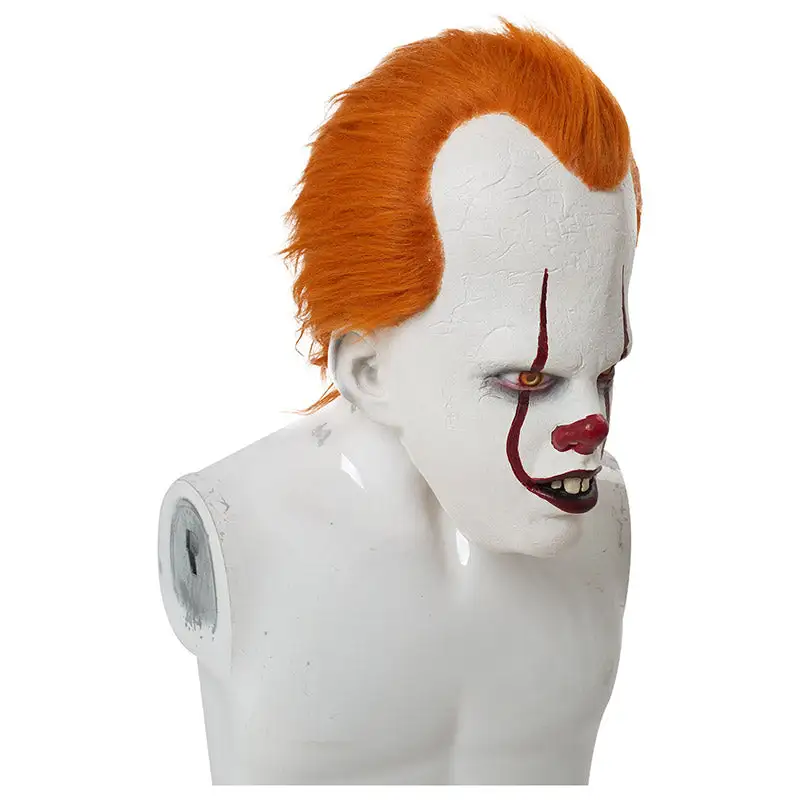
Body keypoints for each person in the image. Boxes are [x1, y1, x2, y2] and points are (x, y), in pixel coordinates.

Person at [159, 19, 642, 784]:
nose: (595, 427)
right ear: (370, 372)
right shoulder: (233, 527)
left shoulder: (602, 522)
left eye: (606, 371)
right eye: (527, 380)